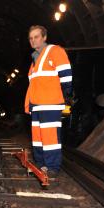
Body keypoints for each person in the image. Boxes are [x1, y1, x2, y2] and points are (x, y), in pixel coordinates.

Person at [24, 25, 73, 178]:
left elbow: (66, 77)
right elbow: (34, 85)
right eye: (31, 38)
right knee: (38, 138)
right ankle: (40, 164)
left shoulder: (55, 51)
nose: (33, 40)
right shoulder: (34, 59)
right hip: (37, 105)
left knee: (50, 137)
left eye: (36, 37)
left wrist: (63, 97)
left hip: (50, 104)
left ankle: (52, 167)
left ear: (44, 37)